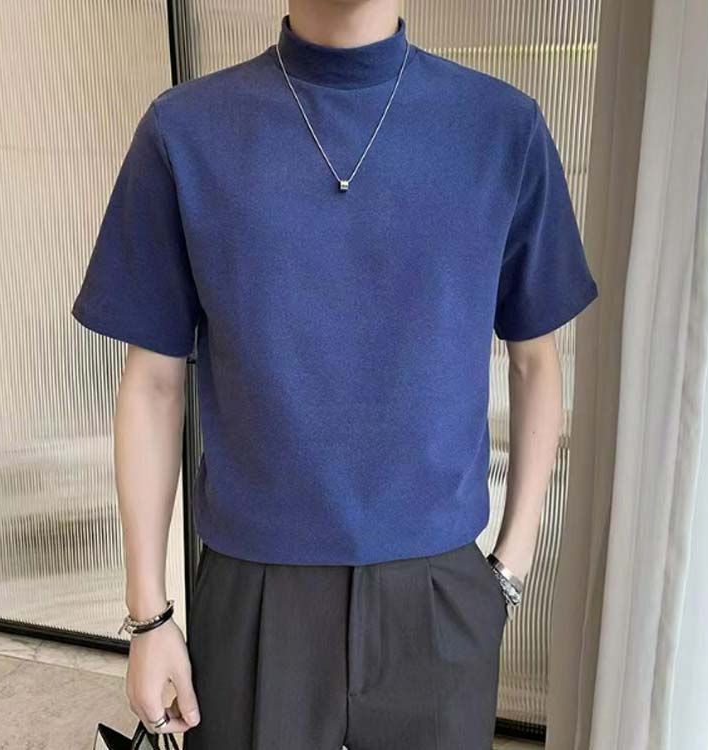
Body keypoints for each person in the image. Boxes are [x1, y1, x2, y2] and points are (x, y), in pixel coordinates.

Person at [72, 2, 599, 748]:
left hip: (439, 594)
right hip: (254, 589)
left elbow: (534, 357)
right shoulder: (185, 133)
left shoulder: (502, 129)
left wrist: (509, 568)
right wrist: (149, 616)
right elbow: (154, 382)